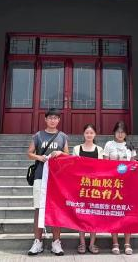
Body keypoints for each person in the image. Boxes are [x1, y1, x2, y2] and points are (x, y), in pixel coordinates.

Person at [27, 109, 69, 256]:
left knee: (56, 208)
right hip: (40, 176)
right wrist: (39, 157)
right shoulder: (38, 135)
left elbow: (67, 155)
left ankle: (56, 242)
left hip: (57, 178)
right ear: (45, 119)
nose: (53, 120)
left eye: (55, 118)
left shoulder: (62, 136)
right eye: (50, 118)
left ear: (59, 120)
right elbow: (29, 153)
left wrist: (61, 153)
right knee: (39, 208)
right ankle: (37, 242)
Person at [103, 121, 136, 255]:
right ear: (114, 132)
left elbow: (134, 165)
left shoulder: (130, 146)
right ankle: (115, 242)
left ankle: (127, 243)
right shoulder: (109, 145)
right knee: (114, 213)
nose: (120, 134)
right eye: (118, 131)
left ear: (126, 133)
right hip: (112, 184)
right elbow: (104, 164)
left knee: (127, 213)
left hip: (127, 185)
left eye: (123, 132)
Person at [72, 123, 104, 254]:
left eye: (91, 133)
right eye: (87, 133)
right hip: (81, 186)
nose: (89, 135)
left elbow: (102, 168)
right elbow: (73, 166)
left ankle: (92, 243)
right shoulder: (76, 149)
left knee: (93, 215)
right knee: (81, 214)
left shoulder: (99, 149)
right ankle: (82, 243)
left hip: (95, 186)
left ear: (95, 134)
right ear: (83, 134)